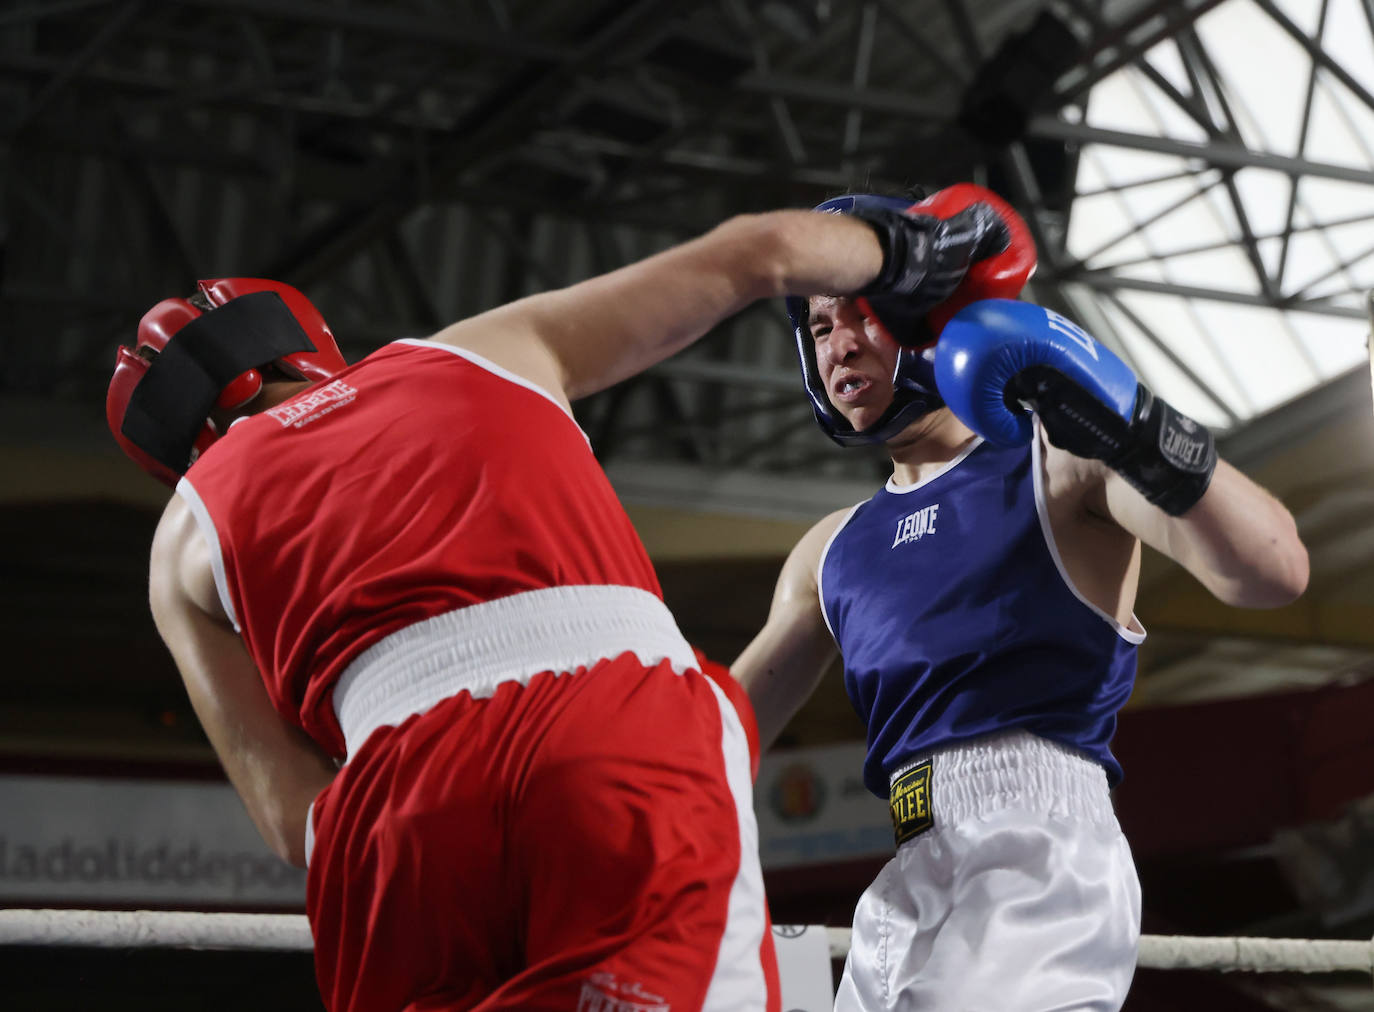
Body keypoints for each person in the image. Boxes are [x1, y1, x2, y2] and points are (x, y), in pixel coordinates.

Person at [104, 200, 1012, 1012]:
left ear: (170, 448)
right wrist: (919, 249)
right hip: (606, 729)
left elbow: (300, 825)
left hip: (395, 820)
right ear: (307, 338)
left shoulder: (181, 543)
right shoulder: (470, 352)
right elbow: (762, 251)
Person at [732, 184, 1310, 1012]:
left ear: (925, 315)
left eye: (859, 314)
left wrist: (1134, 423)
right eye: (820, 327)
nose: (839, 345)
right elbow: (717, 736)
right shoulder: (828, 553)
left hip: (1038, 855)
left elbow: (1275, 568)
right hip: (906, 869)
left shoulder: (1060, 463)